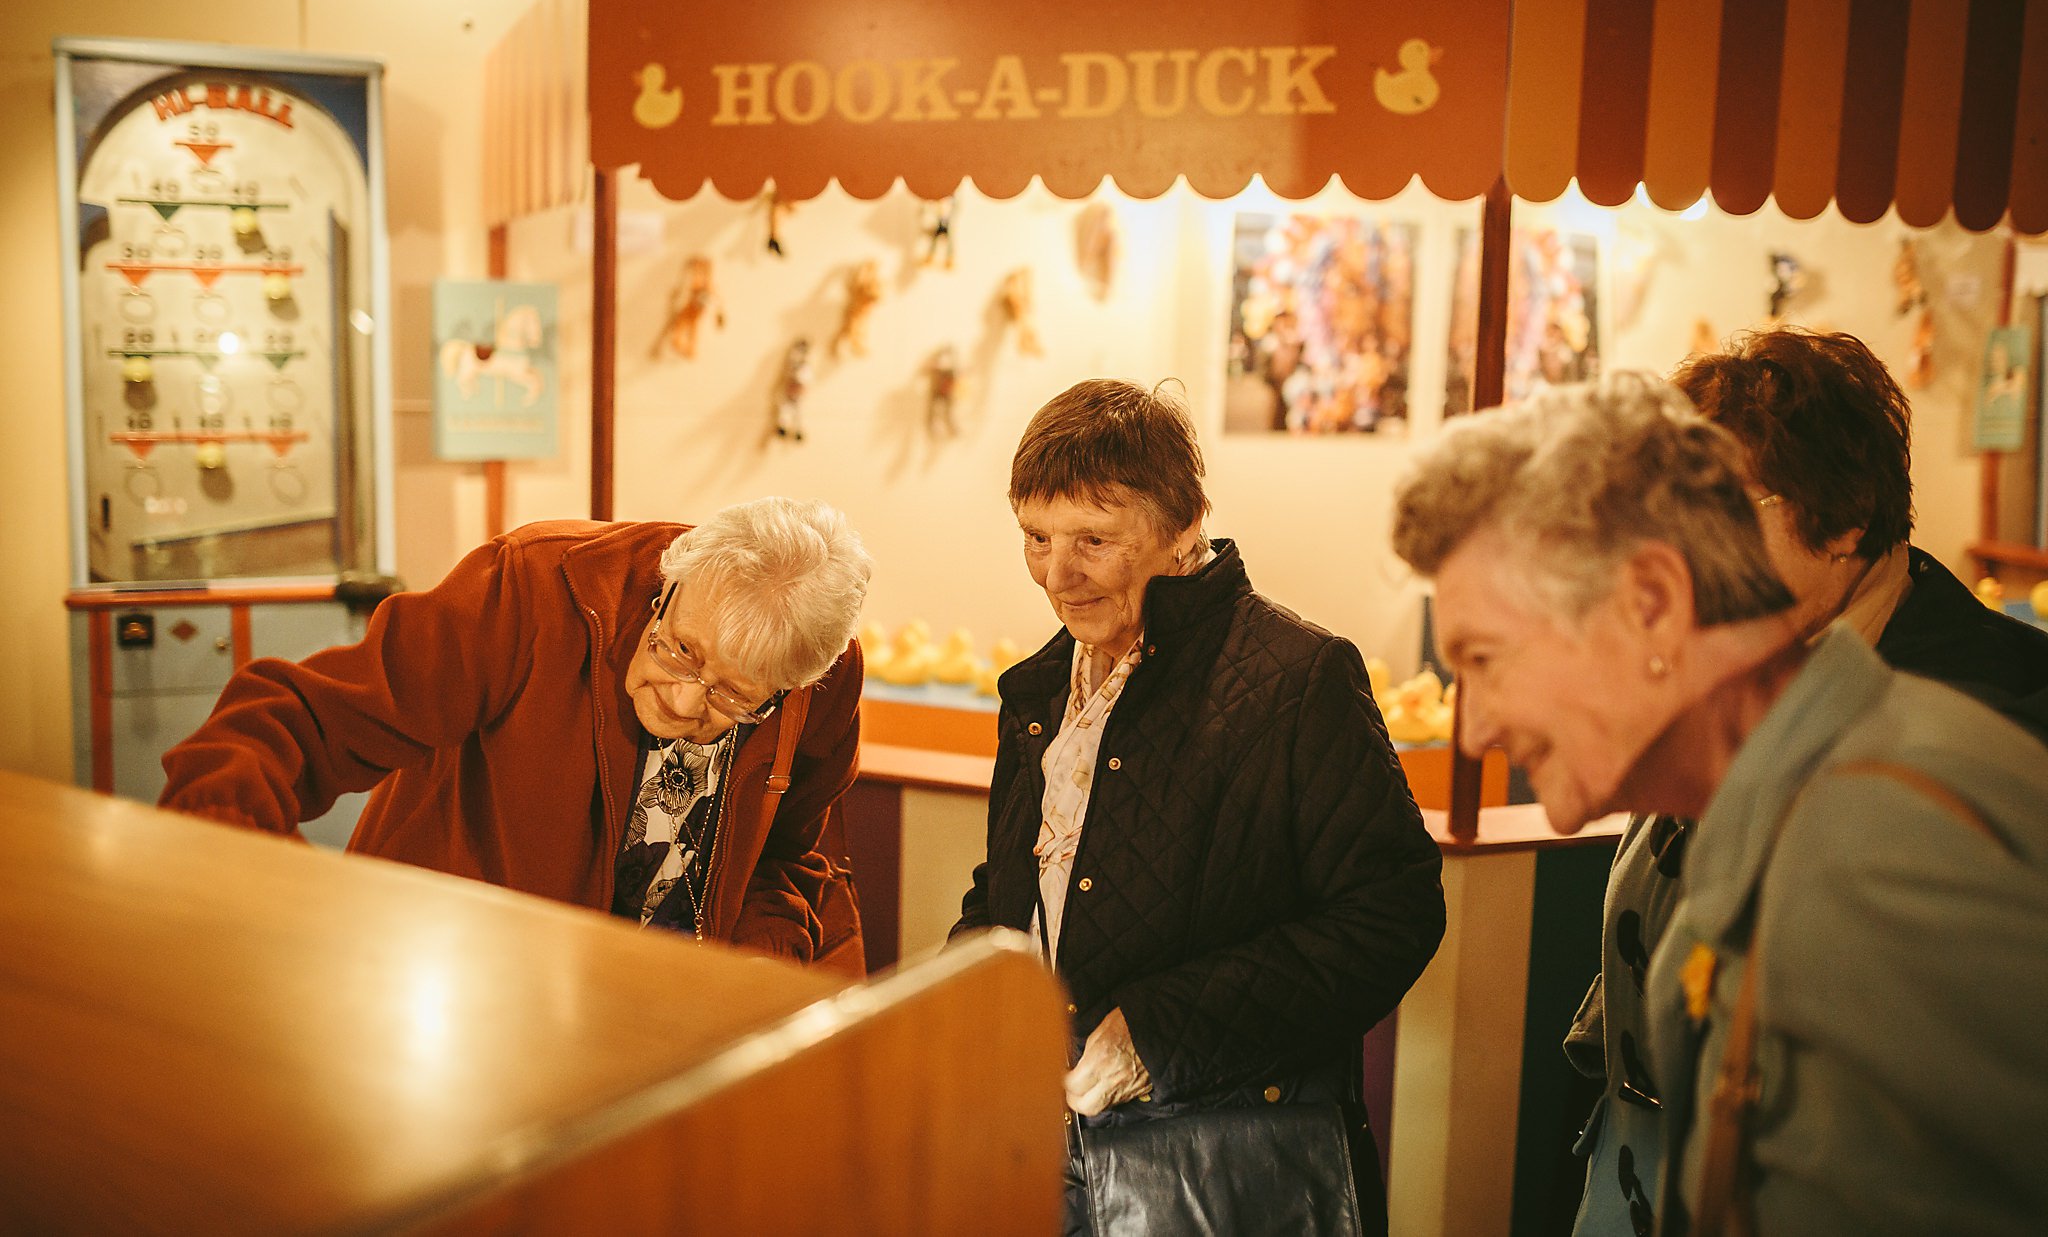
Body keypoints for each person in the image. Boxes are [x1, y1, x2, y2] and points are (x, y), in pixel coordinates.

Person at [1393, 374, 2048, 1236]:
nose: (1470, 729)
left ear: (1654, 605)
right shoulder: (1789, 814)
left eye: (1486, 657)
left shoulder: (1872, 853)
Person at [955, 379, 1445, 1235]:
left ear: (1185, 526)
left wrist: (1157, 1034)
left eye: (1093, 540)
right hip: (1046, 1156)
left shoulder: (1300, 678)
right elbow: (1015, 883)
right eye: (1035, 537)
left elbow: (1392, 915)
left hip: (1222, 1169)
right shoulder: (1039, 686)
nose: (1057, 577)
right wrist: (971, 989)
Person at [160, 496, 873, 971]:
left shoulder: (824, 682)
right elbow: (309, 716)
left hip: (659, 1011)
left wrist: (758, 958)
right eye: (678, 648)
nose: (685, 699)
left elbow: (791, 852)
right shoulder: (537, 587)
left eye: (732, 696)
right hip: (453, 981)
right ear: (669, 585)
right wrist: (227, 837)